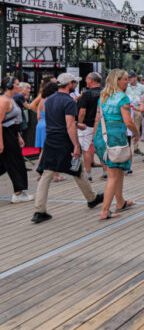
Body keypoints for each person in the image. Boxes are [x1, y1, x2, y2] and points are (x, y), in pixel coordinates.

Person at [32, 73, 103, 223]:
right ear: (69, 84)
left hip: (50, 141)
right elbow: (69, 125)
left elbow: (58, 120)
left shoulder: (48, 100)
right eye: (74, 83)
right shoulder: (69, 102)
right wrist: (76, 145)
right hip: (65, 142)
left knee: (47, 175)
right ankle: (91, 198)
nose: (76, 85)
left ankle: (39, 210)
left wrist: (78, 124)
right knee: (77, 168)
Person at [92, 69, 138, 220]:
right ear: (117, 81)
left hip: (102, 136)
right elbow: (128, 121)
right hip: (115, 137)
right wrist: (136, 133)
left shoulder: (103, 97)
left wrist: (94, 139)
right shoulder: (122, 98)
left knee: (118, 170)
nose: (127, 81)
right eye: (125, 79)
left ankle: (120, 202)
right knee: (113, 175)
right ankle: (105, 210)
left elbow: (98, 119)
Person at [0, 77, 33, 203]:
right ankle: (18, 193)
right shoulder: (3, 101)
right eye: (17, 84)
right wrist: (1, 142)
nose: (20, 86)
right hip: (6, 135)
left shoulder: (11, 99)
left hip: (11, 133)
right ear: (9, 86)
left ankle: (19, 192)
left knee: (4, 164)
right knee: (16, 163)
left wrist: (18, 136)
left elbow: (14, 120)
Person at [77, 72, 102, 181]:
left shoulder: (86, 94)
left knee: (86, 149)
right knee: (101, 147)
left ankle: (88, 174)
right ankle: (106, 171)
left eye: (87, 79)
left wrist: (79, 123)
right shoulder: (105, 92)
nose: (86, 81)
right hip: (102, 124)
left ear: (92, 80)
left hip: (87, 125)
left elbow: (82, 111)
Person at [126, 71, 144, 155]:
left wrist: (141, 107)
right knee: (128, 127)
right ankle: (128, 146)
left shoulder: (141, 87)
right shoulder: (126, 86)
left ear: (135, 78)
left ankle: (136, 147)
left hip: (137, 109)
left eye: (130, 77)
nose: (129, 79)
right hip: (127, 109)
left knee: (136, 128)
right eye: (128, 77)